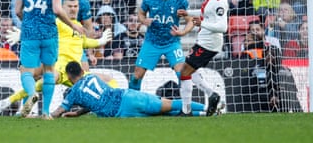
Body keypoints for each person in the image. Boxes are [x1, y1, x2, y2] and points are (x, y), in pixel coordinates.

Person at [0, 0, 113, 117]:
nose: (73, 9)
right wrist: (23, 35)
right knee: (46, 79)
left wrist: (100, 41)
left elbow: (83, 42)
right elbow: (39, 29)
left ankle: (110, 109)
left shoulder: (78, 26)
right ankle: (8, 102)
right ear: (62, 8)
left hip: (76, 72)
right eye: (70, 6)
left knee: (108, 80)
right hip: (61, 67)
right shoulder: (57, 23)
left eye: (75, 6)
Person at [13, 0, 84, 119]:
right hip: (49, 32)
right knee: (48, 70)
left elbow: (17, 11)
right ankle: (45, 112)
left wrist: (28, 22)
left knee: (26, 71)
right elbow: (58, 9)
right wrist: (73, 26)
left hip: (30, 32)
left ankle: (31, 94)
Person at [50, 61, 208, 118]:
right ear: (82, 71)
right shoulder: (92, 77)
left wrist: (46, 114)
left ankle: (206, 111)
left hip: (122, 114)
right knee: (169, 105)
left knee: (167, 113)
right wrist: (78, 113)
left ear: (69, 76)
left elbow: (58, 112)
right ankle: (206, 109)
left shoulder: (72, 93)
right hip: (127, 97)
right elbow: (97, 98)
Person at [128, 0, 194, 91]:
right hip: (152, 41)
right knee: (136, 75)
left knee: (182, 73)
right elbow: (141, 14)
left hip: (172, 42)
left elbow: (191, 20)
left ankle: (186, 106)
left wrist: (183, 32)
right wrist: (143, 21)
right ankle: (131, 103)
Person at [178, 0, 228, 116]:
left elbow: (223, 27)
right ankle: (212, 94)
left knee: (184, 71)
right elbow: (203, 13)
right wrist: (187, 13)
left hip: (209, 43)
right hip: (204, 40)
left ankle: (186, 110)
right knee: (191, 71)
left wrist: (202, 24)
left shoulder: (220, 0)